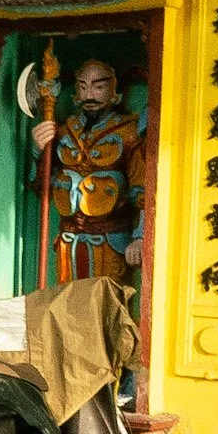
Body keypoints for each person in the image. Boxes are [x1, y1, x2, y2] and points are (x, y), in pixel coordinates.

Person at [30, 57, 145, 283]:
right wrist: (38, 151)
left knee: (105, 309)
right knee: (67, 306)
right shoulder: (64, 131)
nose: (89, 95)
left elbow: (143, 191)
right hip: (68, 240)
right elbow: (41, 185)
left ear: (114, 91)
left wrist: (140, 237)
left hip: (110, 241)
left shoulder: (128, 133)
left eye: (98, 86)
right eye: (83, 86)